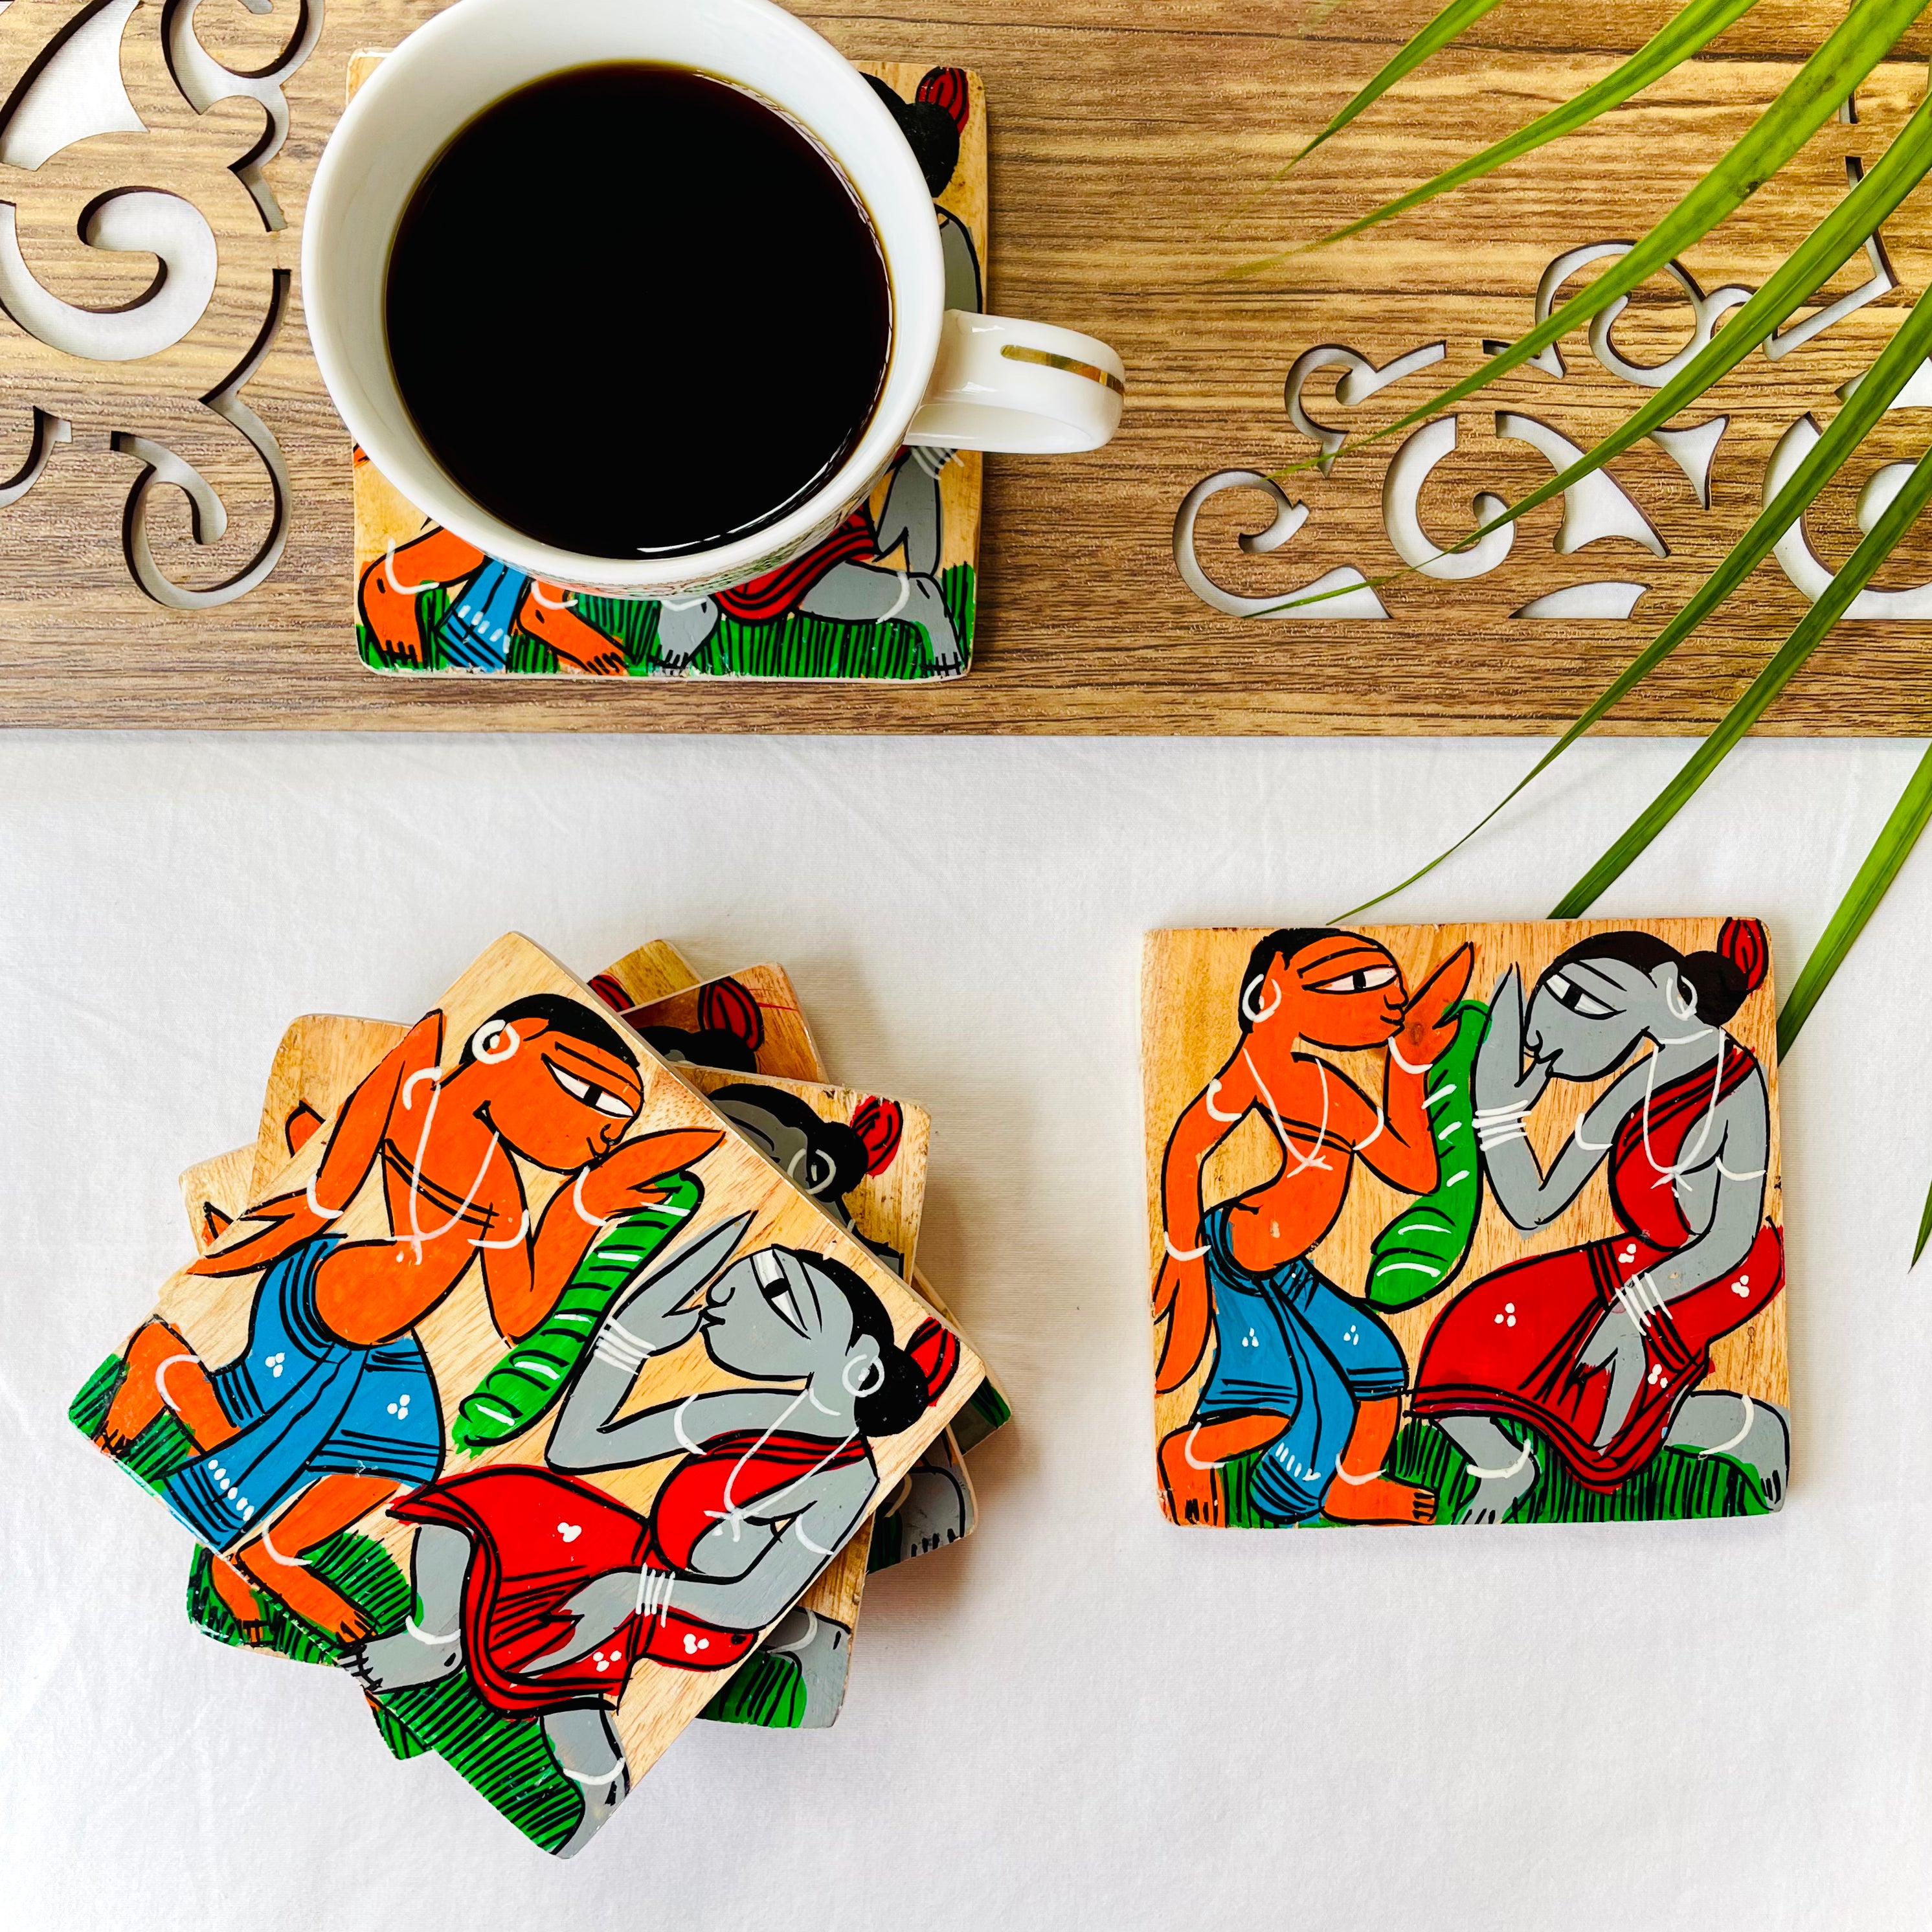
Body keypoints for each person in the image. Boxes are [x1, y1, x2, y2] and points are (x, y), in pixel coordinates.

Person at [93, 993, 719, 1639]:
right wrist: (223, 1265)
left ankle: (270, 1547)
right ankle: (162, 1360)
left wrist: (581, 1205)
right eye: (584, 1088)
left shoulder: (504, 1192)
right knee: (256, 1432)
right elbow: (321, 1194)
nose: (598, 1132)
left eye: (614, 1125)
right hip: (318, 1302)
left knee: (401, 1459)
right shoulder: (413, 1091)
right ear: (506, 1040)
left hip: (386, 1347)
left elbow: (520, 1315)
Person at [343, 1216, 958, 1856]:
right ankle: (433, 1638)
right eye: (738, 1280)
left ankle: (599, 1791)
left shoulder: (848, 1477)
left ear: (857, 1365)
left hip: (697, 1611)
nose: (723, 1295)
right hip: (638, 1555)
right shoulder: (748, 1411)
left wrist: (632, 1591)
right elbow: (578, 1446)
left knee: (568, 1670)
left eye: (779, 1292)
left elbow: (752, 1600)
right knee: (495, 1495)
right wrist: (630, 1335)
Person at [1410, 920, 1788, 1523]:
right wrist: (1497, 1110)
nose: (1556, 1026)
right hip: (1644, 1260)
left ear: (1670, 990)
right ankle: (1507, 1468)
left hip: (1721, 1269)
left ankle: (1748, 1428)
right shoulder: (1642, 1080)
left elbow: (1730, 1239)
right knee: (1472, 1323)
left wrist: (1630, 1309)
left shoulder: (1738, 1089)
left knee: (1610, 1390)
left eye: (1582, 998)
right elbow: (1533, 1207)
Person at [1152, 927, 1473, 1527]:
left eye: (1387, 983)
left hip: (1286, 1269)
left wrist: (1405, 1066)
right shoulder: (1258, 1068)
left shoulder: (1329, 1088)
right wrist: (1183, 1249)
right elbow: (1187, 1147)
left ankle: (1354, 1486)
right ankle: (1187, 1450)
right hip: (1237, 1262)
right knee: (1277, 1403)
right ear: (1271, 990)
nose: (1386, 998)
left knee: (1380, 1372)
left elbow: (1415, 1170)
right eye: (1353, 981)